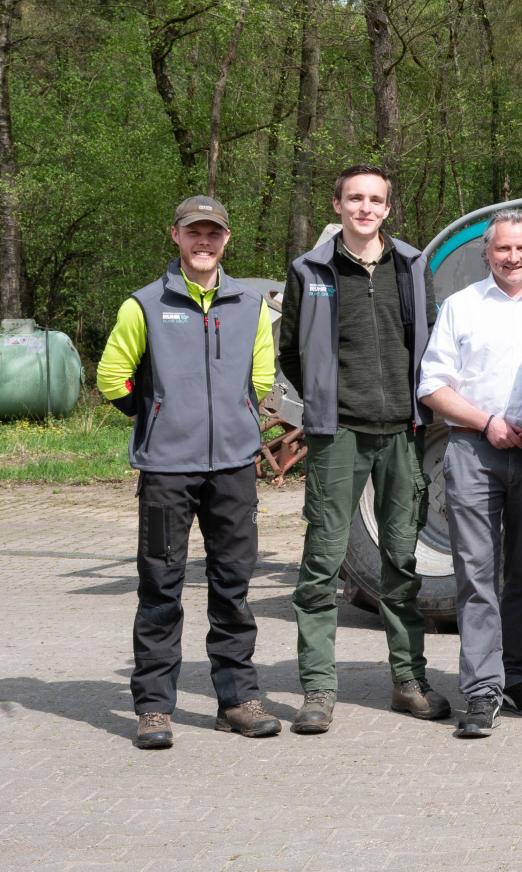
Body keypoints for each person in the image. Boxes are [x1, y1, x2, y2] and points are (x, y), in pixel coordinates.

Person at [98, 195, 280, 749]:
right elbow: (112, 377)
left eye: (214, 233)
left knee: (233, 585)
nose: (204, 242)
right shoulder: (144, 305)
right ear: (174, 236)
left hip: (232, 470)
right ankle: (154, 707)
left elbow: (263, 377)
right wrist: (158, 414)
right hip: (166, 474)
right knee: (160, 586)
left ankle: (238, 699)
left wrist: (240, 417)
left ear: (227, 240)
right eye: (194, 232)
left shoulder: (250, 304)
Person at [283, 165, 445, 734]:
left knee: (401, 561)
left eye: (375, 199)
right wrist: (326, 401)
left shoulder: (412, 264)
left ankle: (408, 680)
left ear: (387, 208)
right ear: (337, 204)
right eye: (355, 198)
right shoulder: (311, 269)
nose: (365, 208)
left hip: (403, 432)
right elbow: (291, 354)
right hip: (338, 434)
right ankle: (319, 690)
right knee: (322, 561)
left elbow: (424, 340)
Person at [416, 210, 522, 738]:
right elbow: (433, 386)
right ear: (487, 252)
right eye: (502, 249)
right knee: (476, 576)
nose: (513, 257)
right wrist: (487, 422)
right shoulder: (461, 307)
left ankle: (515, 675)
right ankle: (481, 692)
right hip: (473, 450)